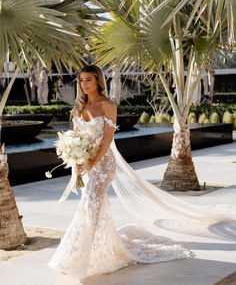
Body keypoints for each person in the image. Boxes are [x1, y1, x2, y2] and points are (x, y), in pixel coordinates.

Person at [48, 65, 235, 281]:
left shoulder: (108, 105)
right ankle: (96, 250)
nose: (83, 84)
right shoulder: (79, 107)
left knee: (90, 203)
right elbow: (75, 137)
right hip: (87, 163)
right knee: (94, 206)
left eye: (88, 80)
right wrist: (77, 160)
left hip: (103, 163)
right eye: (80, 80)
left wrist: (92, 163)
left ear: (98, 81)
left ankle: (80, 255)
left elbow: (107, 139)